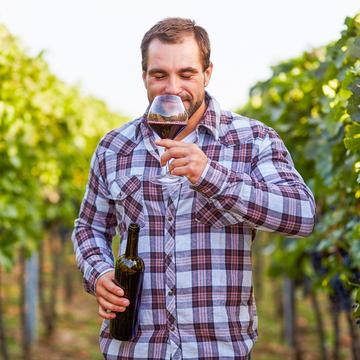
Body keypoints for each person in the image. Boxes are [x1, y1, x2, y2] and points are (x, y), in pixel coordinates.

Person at [71, 17, 316, 360]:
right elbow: (90, 227)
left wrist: (211, 176)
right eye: (159, 75)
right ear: (144, 76)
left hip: (218, 351)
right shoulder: (114, 148)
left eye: (186, 74)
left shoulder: (251, 140)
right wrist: (99, 273)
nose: (172, 88)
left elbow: (301, 215)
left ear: (207, 73)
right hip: (133, 350)